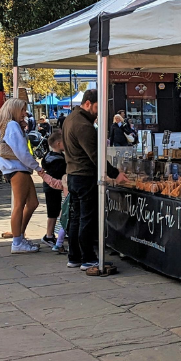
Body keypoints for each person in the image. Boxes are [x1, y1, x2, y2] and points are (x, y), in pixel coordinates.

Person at [63, 89, 127, 273]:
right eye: (98, 107)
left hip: (74, 175)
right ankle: (88, 258)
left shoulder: (70, 119)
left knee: (76, 218)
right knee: (87, 219)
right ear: (88, 103)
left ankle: (74, 256)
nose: (99, 112)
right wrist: (115, 174)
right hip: (84, 177)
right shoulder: (83, 125)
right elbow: (96, 156)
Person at [0, 98, 63, 253]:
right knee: (20, 205)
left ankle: (19, 237)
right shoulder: (11, 125)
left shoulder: (2, 125)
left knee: (32, 203)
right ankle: (17, 241)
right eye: (22, 110)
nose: (25, 113)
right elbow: (21, 151)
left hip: (13, 169)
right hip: (17, 169)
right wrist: (37, 168)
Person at [40, 131, 66, 247]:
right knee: (53, 212)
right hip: (53, 187)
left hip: (48, 186)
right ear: (59, 144)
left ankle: (50, 235)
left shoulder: (48, 156)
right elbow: (61, 174)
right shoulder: (59, 160)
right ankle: (49, 235)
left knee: (54, 211)